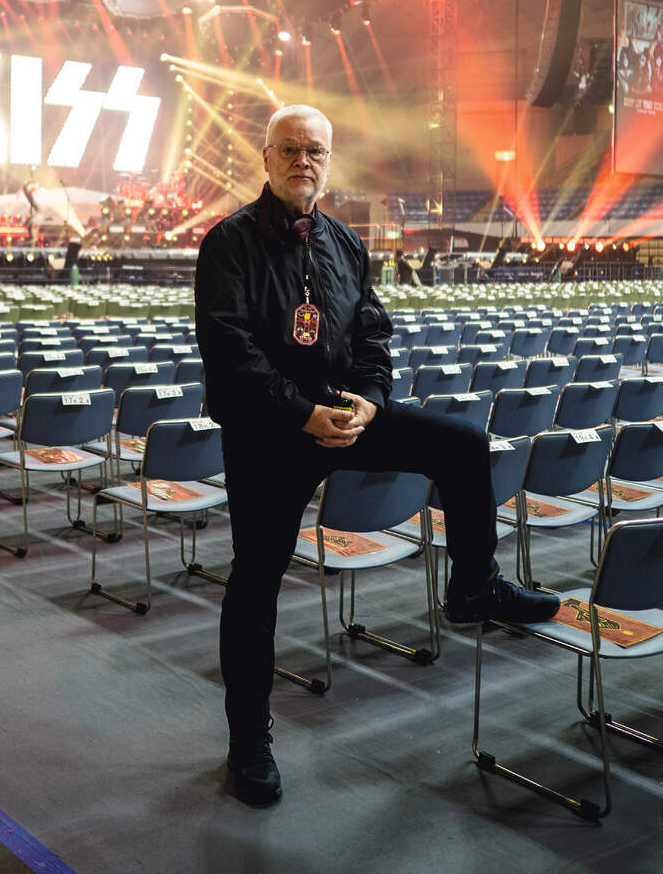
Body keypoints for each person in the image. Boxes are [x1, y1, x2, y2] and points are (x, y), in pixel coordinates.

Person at [195, 105, 559, 807]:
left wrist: (367, 397)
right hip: (271, 435)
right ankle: (249, 739)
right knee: (255, 582)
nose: (305, 161)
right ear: (266, 159)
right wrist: (304, 414)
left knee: (464, 445)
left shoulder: (342, 242)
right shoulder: (229, 243)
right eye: (291, 149)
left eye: (317, 151)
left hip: (344, 413)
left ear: (328, 162)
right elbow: (231, 353)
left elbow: (372, 334)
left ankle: (474, 586)